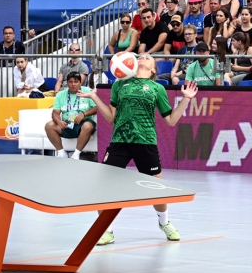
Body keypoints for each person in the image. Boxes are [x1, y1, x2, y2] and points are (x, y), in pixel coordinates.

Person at [77, 57, 197, 245]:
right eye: (142, 55)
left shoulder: (158, 88)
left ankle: (164, 222)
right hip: (120, 140)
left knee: (157, 189)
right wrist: (94, 97)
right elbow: (110, 117)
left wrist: (185, 100)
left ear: (153, 70)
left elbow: (171, 120)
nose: (143, 57)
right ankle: (105, 229)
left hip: (146, 141)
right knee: (104, 186)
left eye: (148, 57)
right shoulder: (120, 83)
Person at [45, 72, 98, 159]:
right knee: (49, 125)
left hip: (82, 123)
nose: (73, 84)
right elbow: (55, 113)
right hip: (67, 124)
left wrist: (83, 114)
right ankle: (62, 153)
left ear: (80, 83)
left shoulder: (88, 91)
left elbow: (97, 108)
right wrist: (59, 121)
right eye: (71, 82)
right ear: (67, 83)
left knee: (88, 126)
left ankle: (76, 154)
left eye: (76, 82)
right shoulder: (60, 94)